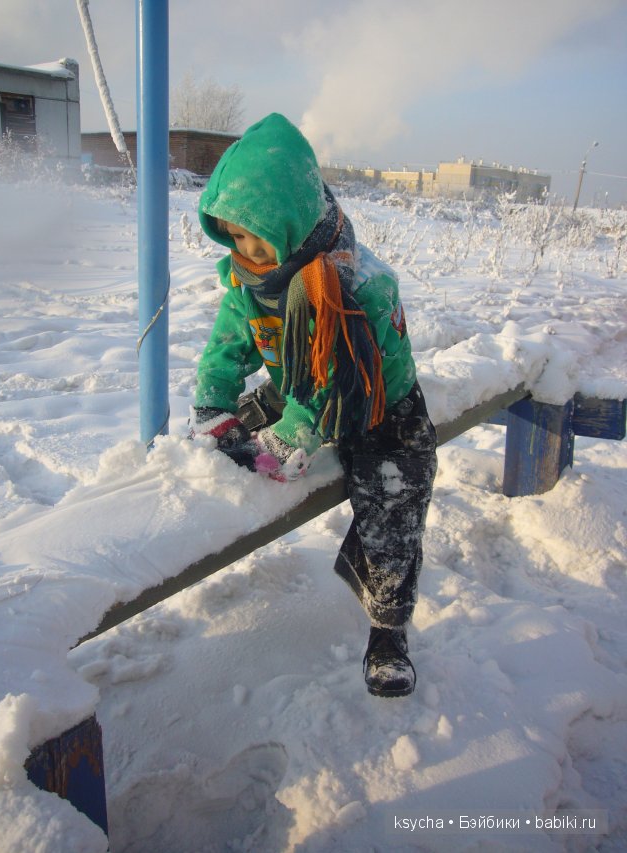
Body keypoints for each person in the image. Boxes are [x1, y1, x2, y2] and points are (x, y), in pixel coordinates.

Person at [189, 113, 437, 698]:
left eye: (257, 237)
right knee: (244, 422)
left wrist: (290, 439)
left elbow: (328, 387)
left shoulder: (360, 287)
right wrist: (214, 404)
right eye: (234, 238)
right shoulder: (249, 277)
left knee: (392, 503)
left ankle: (388, 628)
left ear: (295, 222)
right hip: (297, 379)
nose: (247, 253)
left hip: (378, 405)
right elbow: (230, 341)